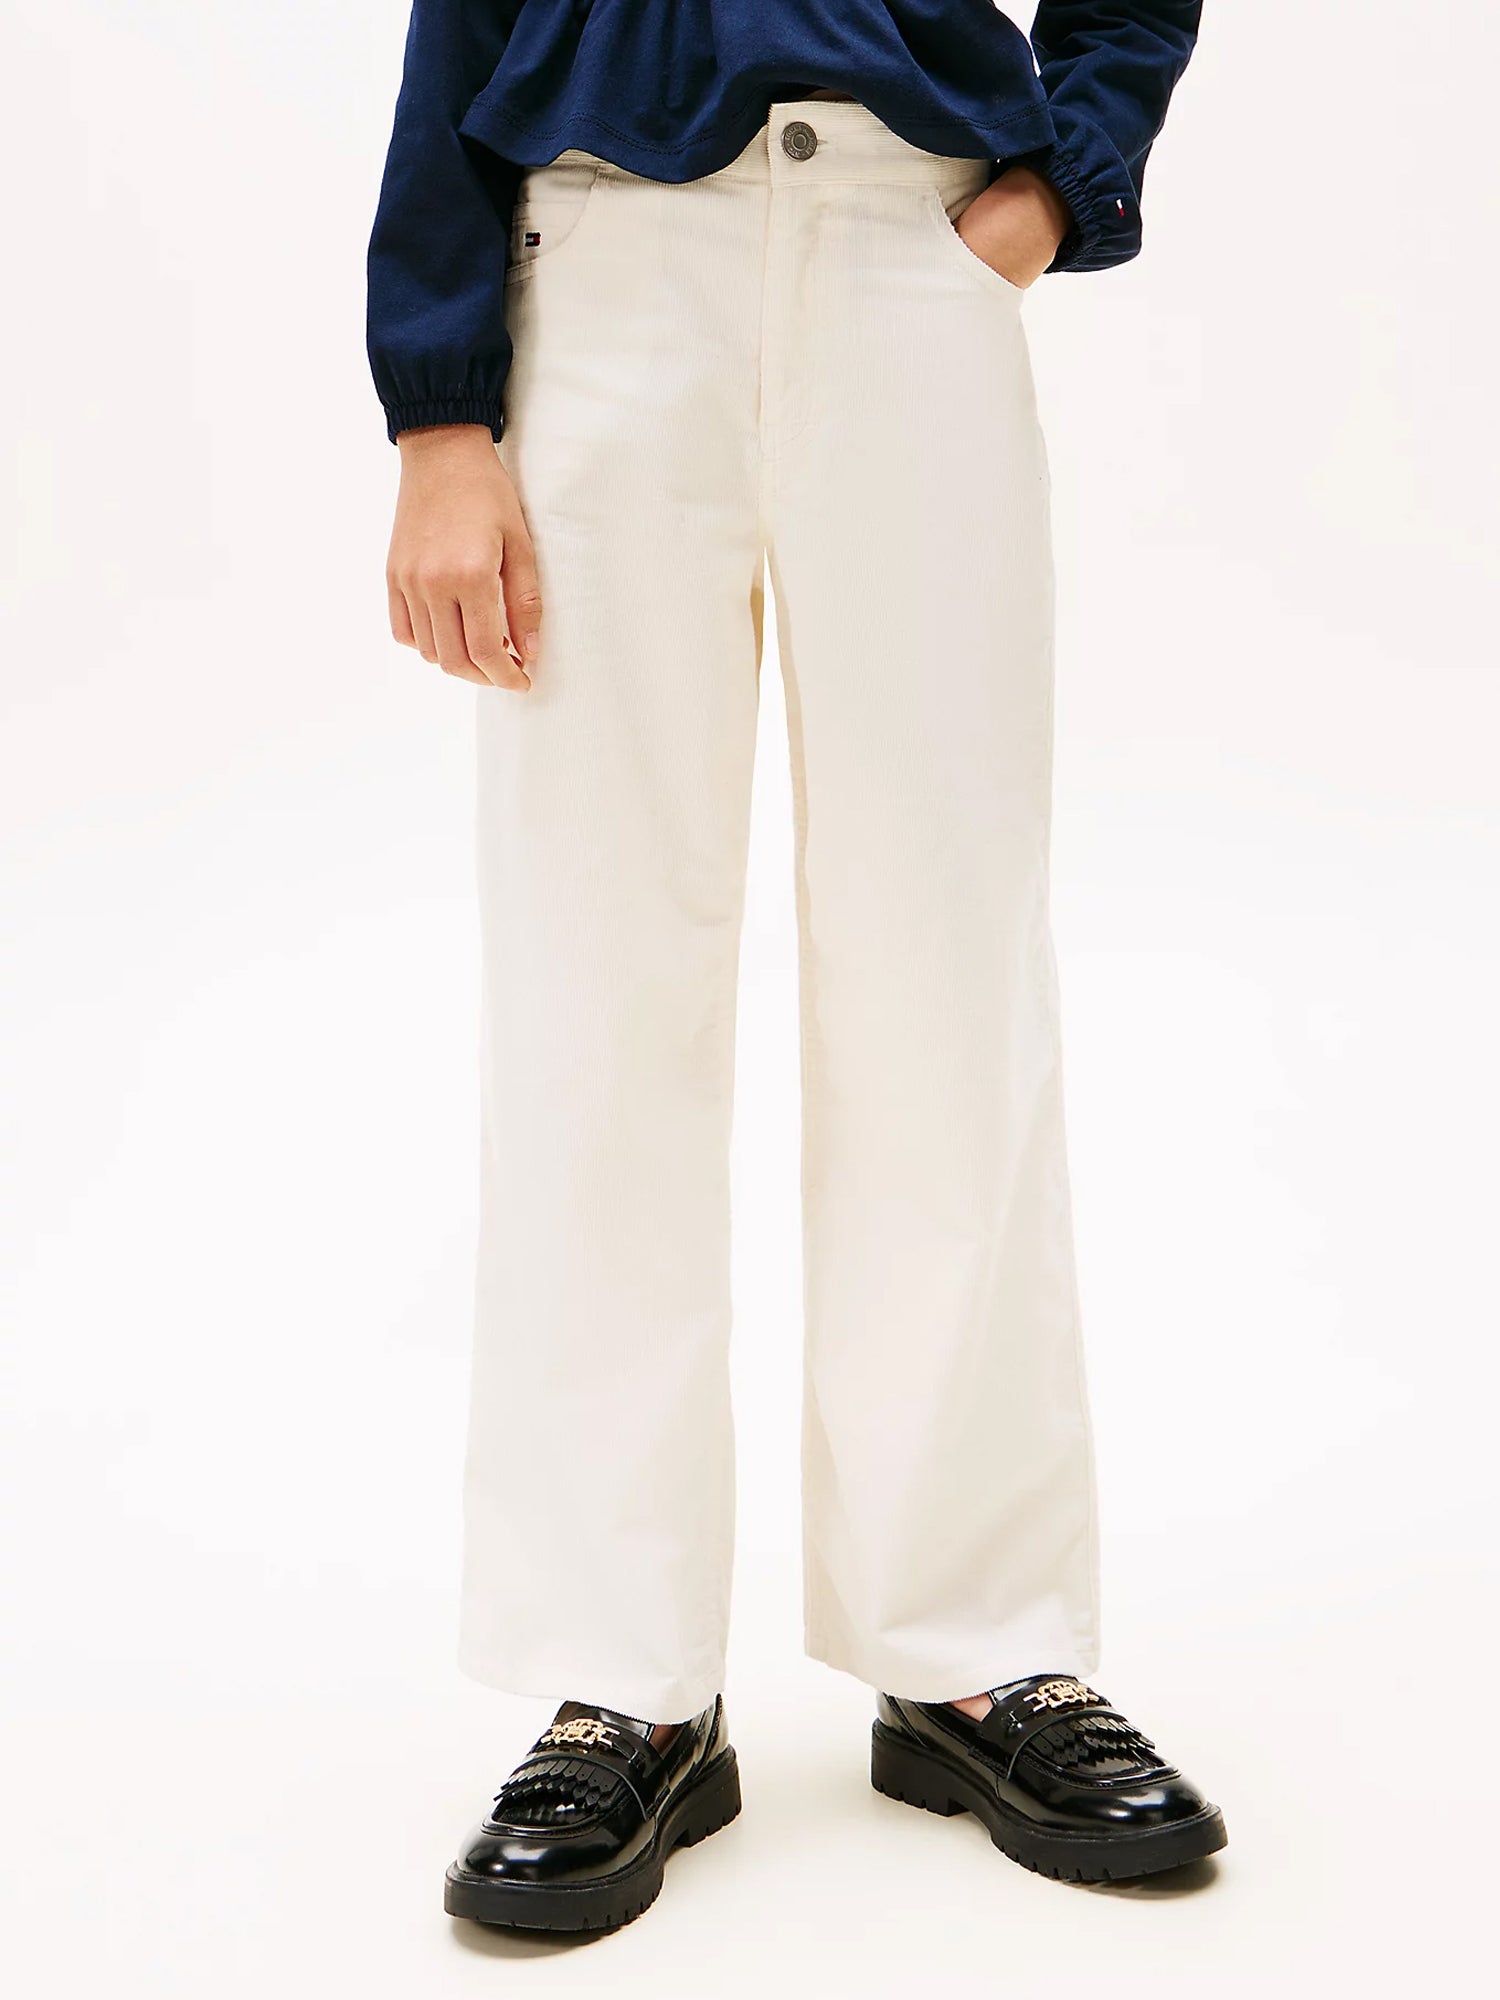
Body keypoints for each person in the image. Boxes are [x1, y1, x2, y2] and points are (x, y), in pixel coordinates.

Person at [367, 0, 1225, 1933]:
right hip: (599, 268)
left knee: (947, 971)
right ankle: (622, 1676)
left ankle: (975, 1646)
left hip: (910, 252)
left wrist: (1056, 186)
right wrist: (437, 406)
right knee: (593, 997)